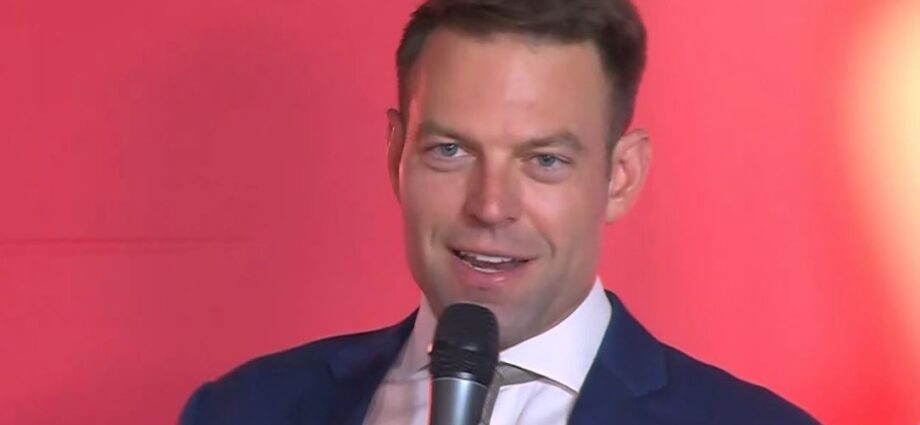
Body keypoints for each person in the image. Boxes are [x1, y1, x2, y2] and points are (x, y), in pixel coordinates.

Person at [179, 0, 820, 424]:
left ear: (620, 176)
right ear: (397, 154)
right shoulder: (241, 411)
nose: (490, 206)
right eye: (450, 150)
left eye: (544, 160)